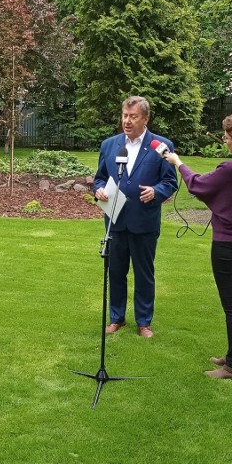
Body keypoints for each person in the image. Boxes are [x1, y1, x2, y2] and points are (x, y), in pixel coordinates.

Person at [163, 113, 232, 378]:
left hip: (229, 243)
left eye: (226, 137)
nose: (225, 141)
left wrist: (178, 162)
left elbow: (198, 185)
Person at [93, 96, 177, 338]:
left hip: (144, 221)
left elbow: (170, 181)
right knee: (115, 272)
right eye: (125, 116)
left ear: (145, 119)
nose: (127, 121)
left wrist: (156, 192)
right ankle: (116, 318)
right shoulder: (109, 145)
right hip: (115, 221)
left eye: (133, 116)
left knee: (144, 274)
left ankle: (144, 322)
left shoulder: (161, 145)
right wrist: (99, 189)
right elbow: (100, 178)